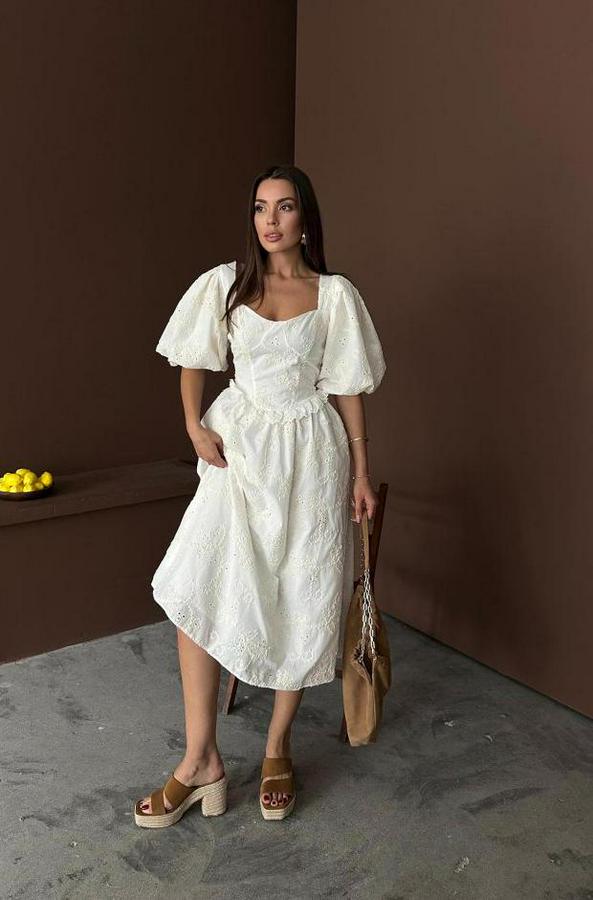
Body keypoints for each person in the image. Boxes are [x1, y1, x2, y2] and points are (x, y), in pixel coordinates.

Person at [134, 164, 386, 826]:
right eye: (259, 208)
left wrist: (361, 472)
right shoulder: (226, 283)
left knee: (299, 594)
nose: (270, 220)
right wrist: (193, 426)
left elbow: (347, 387)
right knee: (195, 583)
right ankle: (201, 760)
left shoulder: (334, 295)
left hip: (311, 454)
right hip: (239, 449)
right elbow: (193, 359)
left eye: (284, 207)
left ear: (305, 219)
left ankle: (277, 748)